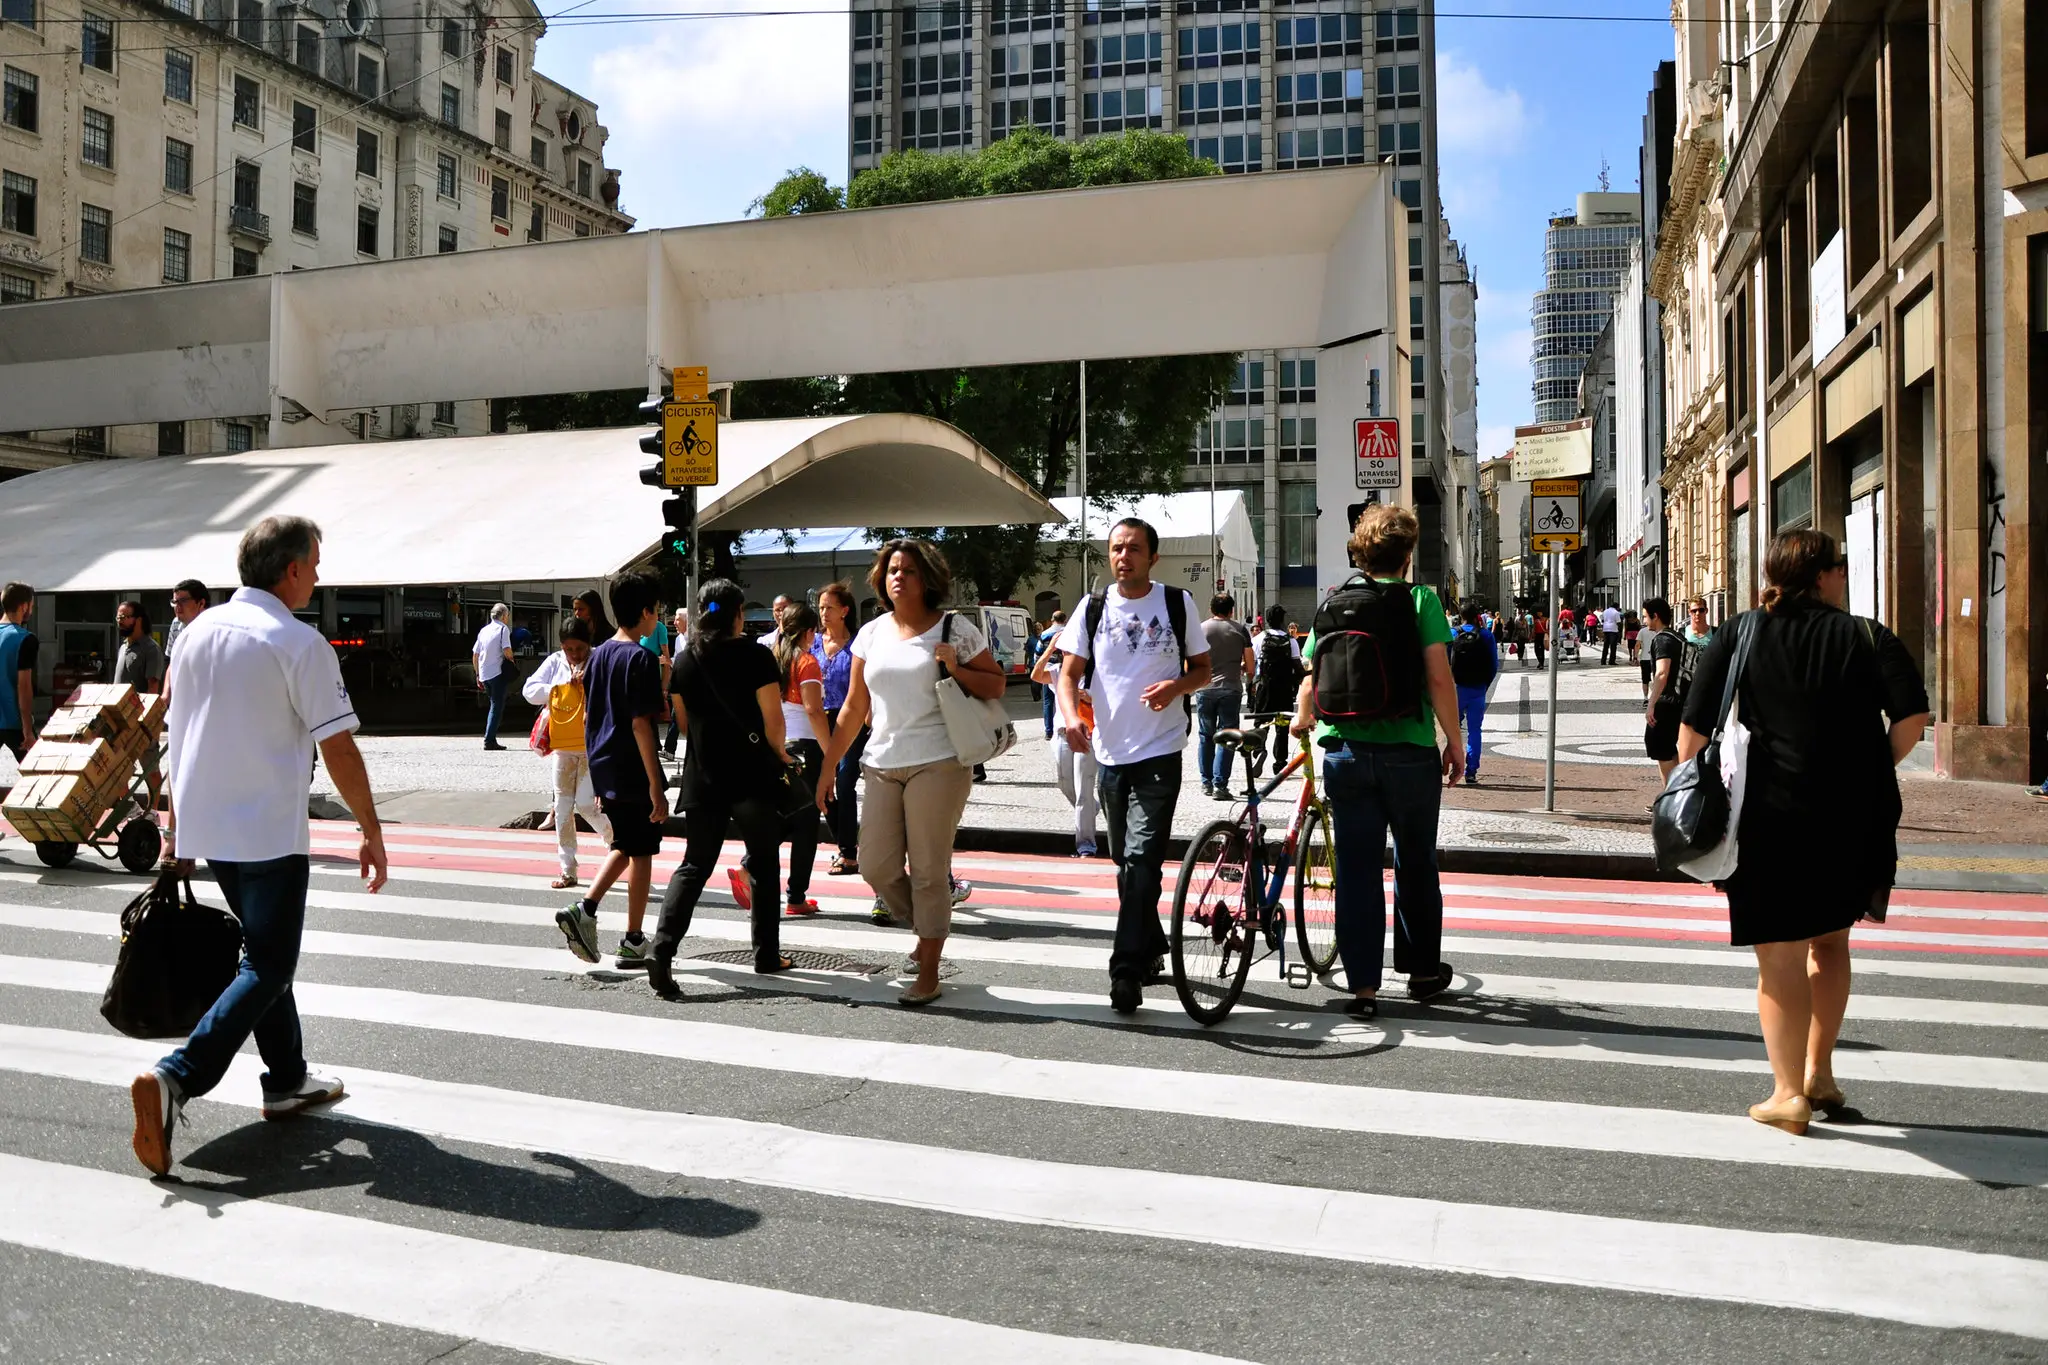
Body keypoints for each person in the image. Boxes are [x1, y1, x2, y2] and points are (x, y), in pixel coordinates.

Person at [129, 516, 389, 1177]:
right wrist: (371, 828)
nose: (319, 575)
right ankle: (177, 1076)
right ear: (293, 570)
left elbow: (176, 736)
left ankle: (287, 1077)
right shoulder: (298, 643)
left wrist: (175, 828)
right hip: (270, 830)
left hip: (212, 830)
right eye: (316, 563)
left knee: (264, 950)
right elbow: (338, 748)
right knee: (270, 961)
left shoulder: (194, 635)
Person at [1677, 529, 1929, 1135]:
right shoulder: (1869, 636)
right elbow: (1913, 720)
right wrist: (1866, 770)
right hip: (1851, 818)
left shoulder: (1737, 633)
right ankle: (1820, 1073)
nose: (1845, 576)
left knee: (1779, 957)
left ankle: (1788, 1095)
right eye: (1840, 567)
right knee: (1830, 942)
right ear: (1822, 576)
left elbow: (1691, 737)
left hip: (1768, 819)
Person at [816, 539, 1005, 1006]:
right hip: (881, 761)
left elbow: (996, 683)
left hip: (939, 761)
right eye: (892, 569)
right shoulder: (873, 633)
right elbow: (854, 706)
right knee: (876, 864)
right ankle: (926, 929)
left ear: (927, 580)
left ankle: (930, 968)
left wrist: (955, 666)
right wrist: (827, 768)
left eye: (909, 570)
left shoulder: (953, 628)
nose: (898, 576)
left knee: (927, 869)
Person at [1292, 504, 1460, 1021]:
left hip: (1343, 748)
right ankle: (1421, 973)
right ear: (1407, 554)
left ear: (1362, 552)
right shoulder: (1420, 600)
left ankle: (1363, 987)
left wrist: (1304, 722)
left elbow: (1311, 675)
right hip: (1408, 750)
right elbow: (1438, 678)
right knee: (1414, 860)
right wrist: (1454, 741)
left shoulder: (1335, 603)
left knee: (1358, 869)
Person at [1055, 518, 1211, 1015]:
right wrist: (1068, 720)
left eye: (1134, 549)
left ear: (1152, 557)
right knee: (1128, 866)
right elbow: (1067, 674)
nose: (1124, 556)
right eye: (1117, 548)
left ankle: (1125, 970)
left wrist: (1176, 688)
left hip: (1161, 752)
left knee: (1141, 860)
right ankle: (1153, 945)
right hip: (1110, 756)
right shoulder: (1092, 607)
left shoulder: (1175, 603)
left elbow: (1204, 670)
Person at [643, 579, 798, 1000]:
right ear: (737, 614)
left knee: (694, 865)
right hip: (751, 775)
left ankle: (662, 949)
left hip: (704, 776)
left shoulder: (687, 658)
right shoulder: (756, 655)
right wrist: (780, 754)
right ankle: (767, 954)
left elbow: (683, 719)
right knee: (764, 864)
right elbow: (773, 719)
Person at [554, 572, 668, 971]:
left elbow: (589, 717)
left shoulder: (599, 654)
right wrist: (657, 785)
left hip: (604, 764)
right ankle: (632, 938)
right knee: (642, 852)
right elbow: (641, 725)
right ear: (644, 611)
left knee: (626, 843)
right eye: (656, 611)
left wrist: (598, 775)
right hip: (633, 768)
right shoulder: (641, 658)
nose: (658, 617)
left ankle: (585, 909)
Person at [522, 617, 614, 890]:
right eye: (569, 649)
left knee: (586, 804)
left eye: (580, 649)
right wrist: (560, 688)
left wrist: (588, 684)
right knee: (563, 807)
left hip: (590, 746)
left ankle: (616, 843)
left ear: (590, 644)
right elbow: (529, 691)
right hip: (562, 745)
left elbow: (611, 694)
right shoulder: (554, 662)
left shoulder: (599, 660)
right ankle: (568, 870)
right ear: (562, 646)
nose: (574, 655)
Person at [752, 600, 828, 917]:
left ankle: (754, 867)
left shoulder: (772, 660)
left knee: (788, 817)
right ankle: (795, 896)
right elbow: (813, 709)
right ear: (809, 632)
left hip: (776, 746)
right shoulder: (806, 662)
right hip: (806, 747)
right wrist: (831, 751)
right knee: (807, 823)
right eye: (815, 631)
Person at [813, 582, 864, 875]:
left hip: (851, 721)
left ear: (844, 611)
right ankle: (845, 846)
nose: (823, 613)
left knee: (844, 782)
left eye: (829, 607)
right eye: (820, 607)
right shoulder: (813, 644)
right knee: (824, 785)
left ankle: (848, 853)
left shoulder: (858, 645)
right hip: (819, 721)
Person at [1031, 639, 1098, 855]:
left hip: (1088, 733)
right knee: (1065, 783)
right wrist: (1049, 649)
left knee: (1083, 791)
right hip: (1062, 732)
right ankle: (1092, 810)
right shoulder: (1059, 671)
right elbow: (1035, 676)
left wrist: (1090, 697)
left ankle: (1086, 845)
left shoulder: (1097, 671)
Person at [1195, 593, 1255, 799]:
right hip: (1231, 688)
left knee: (1205, 736)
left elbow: (1190, 661)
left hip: (1204, 687)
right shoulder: (1240, 630)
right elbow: (1251, 666)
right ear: (1231, 610)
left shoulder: (1200, 629)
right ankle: (1220, 785)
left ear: (1212, 609)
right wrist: (1245, 675)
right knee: (1227, 735)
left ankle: (1206, 782)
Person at [1447, 602, 1499, 785]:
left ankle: (1454, 766)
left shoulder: (1453, 633)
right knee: (1475, 731)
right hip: (1477, 688)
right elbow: (1494, 664)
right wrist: (1485, 684)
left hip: (1456, 689)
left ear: (1460, 615)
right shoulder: (1485, 635)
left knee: (1453, 729)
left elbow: (1444, 662)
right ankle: (1471, 771)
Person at [1249, 604, 1303, 772]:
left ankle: (1259, 750)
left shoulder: (1258, 639)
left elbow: (1252, 664)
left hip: (1264, 688)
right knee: (1282, 727)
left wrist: (1251, 685)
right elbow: (1298, 667)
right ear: (1282, 620)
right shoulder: (1291, 641)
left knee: (1260, 722)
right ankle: (1279, 762)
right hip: (1284, 689)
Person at [1641, 597, 1685, 782]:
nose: (1644, 621)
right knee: (1669, 750)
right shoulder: (1678, 637)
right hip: (1681, 700)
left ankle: (1672, 800)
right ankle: (1677, 796)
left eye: (1645, 616)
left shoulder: (1662, 640)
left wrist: (1651, 704)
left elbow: (1661, 673)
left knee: (1660, 747)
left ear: (1655, 616)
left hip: (1667, 703)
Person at [0, 582, 37, 761]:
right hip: (13, 721)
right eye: (31, 605)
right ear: (24, 606)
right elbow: (24, 686)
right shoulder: (25, 639)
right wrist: (28, 730)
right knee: (38, 775)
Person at [472, 603, 514, 750]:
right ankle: (489, 740)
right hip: (497, 673)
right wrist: (512, 661)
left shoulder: (483, 630)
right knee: (496, 706)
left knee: (493, 704)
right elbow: (507, 649)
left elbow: (475, 654)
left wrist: (477, 674)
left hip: (484, 674)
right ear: (503, 615)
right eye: (507, 616)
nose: (507, 619)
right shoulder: (503, 629)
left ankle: (490, 738)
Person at [112, 601, 166, 693]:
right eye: (118, 618)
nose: (120, 621)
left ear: (139, 620)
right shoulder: (123, 648)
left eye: (124, 617)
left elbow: (152, 691)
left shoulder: (151, 649)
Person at [662, 605, 689, 758]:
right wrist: (667, 661)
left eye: (677, 620)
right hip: (682, 684)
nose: (675, 623)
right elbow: (678, 660)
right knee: (676, 716)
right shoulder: (679, 639)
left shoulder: (696, 637)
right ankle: (669, 750)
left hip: (695, 686)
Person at [165, 580, 209, 663]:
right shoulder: (176, 624)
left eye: (183, 601)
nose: (178, 607)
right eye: (175, 602)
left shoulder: (214, 627)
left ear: (201, 603)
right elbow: (171, 661)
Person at [1036, 611, 1065, 739]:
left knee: (1048, 701)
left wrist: (1037, 666)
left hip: (1048, 670)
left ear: (1052, 620)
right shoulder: (1069, 631)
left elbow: (1038, 652)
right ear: (1065, 619)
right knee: (1065, 698)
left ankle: (1048, 731)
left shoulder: (1045, 634)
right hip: (1065, 669)